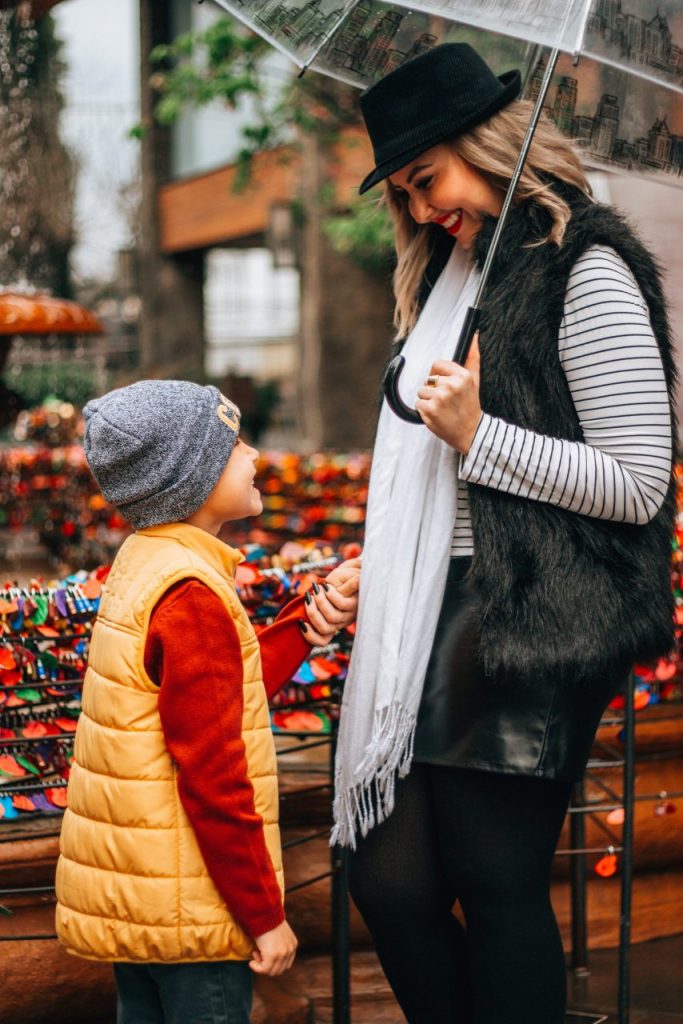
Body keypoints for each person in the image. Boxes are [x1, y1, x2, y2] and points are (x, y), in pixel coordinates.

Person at [332, 43, 676, 1024]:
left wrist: (481, 436)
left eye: (424, 178)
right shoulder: (448, 285)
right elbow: (424, 482)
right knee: (388, 884)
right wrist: (375, 574)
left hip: (533, 613)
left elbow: (635, 485)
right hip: (435, 610)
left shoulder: (588, 263)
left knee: (496, 885)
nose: (419, 207)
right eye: (402, 191)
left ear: (485, 146)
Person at [55, 380, 360, 1024]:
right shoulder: (192, 596)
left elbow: (221, 692)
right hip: (194, 910)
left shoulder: (147, 563)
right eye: (233, 444)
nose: (253, 454)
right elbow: (215, 775)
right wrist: (264, 914)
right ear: (188, 480)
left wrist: (305, 620)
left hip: (146, 900)